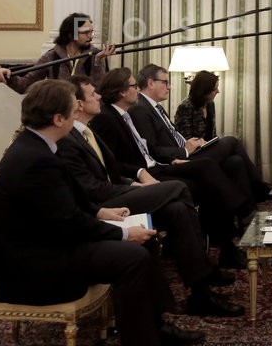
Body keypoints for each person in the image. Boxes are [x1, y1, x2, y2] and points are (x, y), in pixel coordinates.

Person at [0, 79, 204, 346]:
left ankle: (155, 327)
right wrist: (122, 234)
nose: (77, 112)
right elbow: (67, 222)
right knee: (133, 254)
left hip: (47, 242)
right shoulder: (37, 159)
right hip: (32, 261)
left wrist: (101, 213)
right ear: (58, 118)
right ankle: (144, 338)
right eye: (72, 109)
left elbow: (66, 202)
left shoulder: (38, 147)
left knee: (142, 243)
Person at [57, 75, 244, 317]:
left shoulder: (87, 132)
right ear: (79, 104)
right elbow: (92, 189)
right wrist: (136, 187)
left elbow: (111, 170)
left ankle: (200, 293)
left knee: (177, 209)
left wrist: (135, 179)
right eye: (93, 94)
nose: (99, 96)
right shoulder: (71, 138)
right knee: (179, 188)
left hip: (121, 190)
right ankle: (236, 224)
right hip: (103, 205)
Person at [88, 67, 252, 269]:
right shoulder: (113, 116)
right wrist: (143, 172)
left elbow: (145, 149)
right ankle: (243, 213)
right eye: (133, 86)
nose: (137, 90)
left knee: (227, 165)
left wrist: (174, 157)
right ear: (123, 91)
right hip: (149, 174)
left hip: (162, 165)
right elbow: (115, 162)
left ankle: (229, 241)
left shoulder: (127, 113)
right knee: (214, 167)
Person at [130, 64, 269, 204]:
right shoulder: (141, 109)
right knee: (231, 141)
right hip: (179, 159)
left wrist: (191, 142)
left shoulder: (155, 107)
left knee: (235, 162)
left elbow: (175, 135)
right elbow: (153, 149)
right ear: (151, 83)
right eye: (165, 82)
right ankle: (259, 187)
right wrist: (185, 150)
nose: (169, 87)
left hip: (190, 150)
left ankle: (249, 214)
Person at [0, 12, 116, 94]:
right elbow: (25, 86)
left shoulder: (96, 56)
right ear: (71, 34)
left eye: (91, 32)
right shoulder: (52, 56)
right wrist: (7, 77)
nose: (91, 36)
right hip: (59, 117)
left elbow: (99, 91)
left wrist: (98, 62)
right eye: (86, 32)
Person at [174, 71, 221, 141]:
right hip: (196, 149)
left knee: (231, 141)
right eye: (215, 89)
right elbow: (185, 138)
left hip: (209, 146)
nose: (218, 91)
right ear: (204, 90)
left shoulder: (210, 104)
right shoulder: (185, 107)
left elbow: (213, 133)